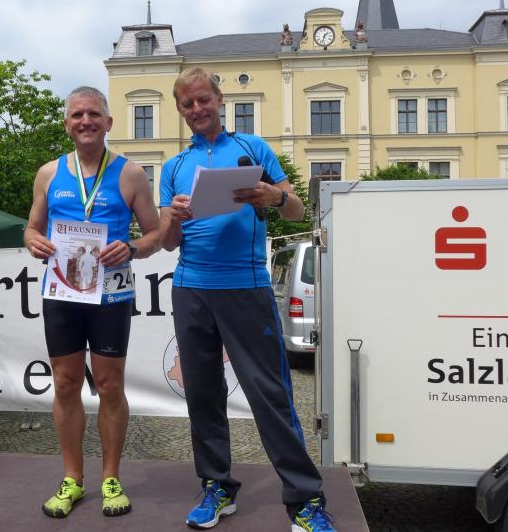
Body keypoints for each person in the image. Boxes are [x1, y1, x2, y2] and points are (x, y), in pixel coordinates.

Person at [159, 67, 336, 531]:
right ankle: (217, 486)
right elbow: (167, 242)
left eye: (203, 99)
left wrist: (271, 195)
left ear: (220, 101)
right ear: (180, 110)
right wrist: (173, 217)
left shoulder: (253, 148)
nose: (197, 109)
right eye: (187, 103)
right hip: (191, 288)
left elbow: (297, 209)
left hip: (246, 286)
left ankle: (305, 500)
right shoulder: (174, 167)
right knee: (203, 394)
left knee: (269, 393)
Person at [24, 86, 160, 519]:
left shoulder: (131, 174)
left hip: (111, 293)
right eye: (78, 115)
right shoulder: (48, 173)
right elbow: (31, 228)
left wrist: (132, 248)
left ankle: (111, 478)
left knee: (109, 385)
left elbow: (156, 235)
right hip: (63, 292)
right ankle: (72, 478)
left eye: (94, 114)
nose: (86, 121)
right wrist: (34, 242)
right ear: (67, 124)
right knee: (65, 384)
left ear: (108, 122)